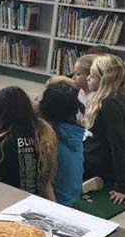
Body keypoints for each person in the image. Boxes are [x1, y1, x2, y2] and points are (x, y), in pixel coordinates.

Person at [83, 54, 125, 205]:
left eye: (92, 77)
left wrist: (122, 185)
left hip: (98, 162)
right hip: (94, 152)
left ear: (104, 81)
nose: (87, 78)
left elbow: (118, 144)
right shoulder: (109, 98)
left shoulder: (109, 105)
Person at [38, 83, 84, 206]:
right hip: (73, 197)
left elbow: (44, 182)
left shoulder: (49, 140)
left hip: (57, 202)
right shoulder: (75, 133)